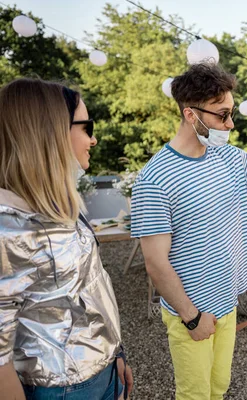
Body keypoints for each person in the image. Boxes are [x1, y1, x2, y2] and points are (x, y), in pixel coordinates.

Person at [130, 63, 247, 400]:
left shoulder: (229, 157)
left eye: (232, 113)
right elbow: (155, 264)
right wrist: (192, 318)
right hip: (191, 312)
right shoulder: (154, 179)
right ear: (191, 114)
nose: (230, 123)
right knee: (195, 396)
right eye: (222, 115)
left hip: (227, 303)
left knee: (218, 388)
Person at [0, 78, 133, 400]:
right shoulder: (8, 225)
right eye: (87, 128)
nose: (94, 139)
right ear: (49, 133)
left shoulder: (60, 207)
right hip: (59, 387)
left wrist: (115, 353)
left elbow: (91, 288)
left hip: (100, 370)